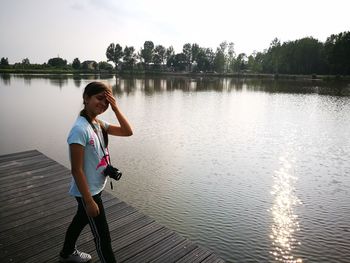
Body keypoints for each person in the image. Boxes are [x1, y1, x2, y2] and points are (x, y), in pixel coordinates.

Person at [59, 81, 133, 263]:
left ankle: (66, 253)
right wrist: (89, 201)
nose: (103, 104)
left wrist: (115, 109)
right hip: (88, 192)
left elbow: (127, 131)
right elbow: (76, 170)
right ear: (86, 98)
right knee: (103, 238)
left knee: (80, 220)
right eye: (99, 98)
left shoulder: (97, 124)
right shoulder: (79, 130)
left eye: (107, 101)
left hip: (94, 187)